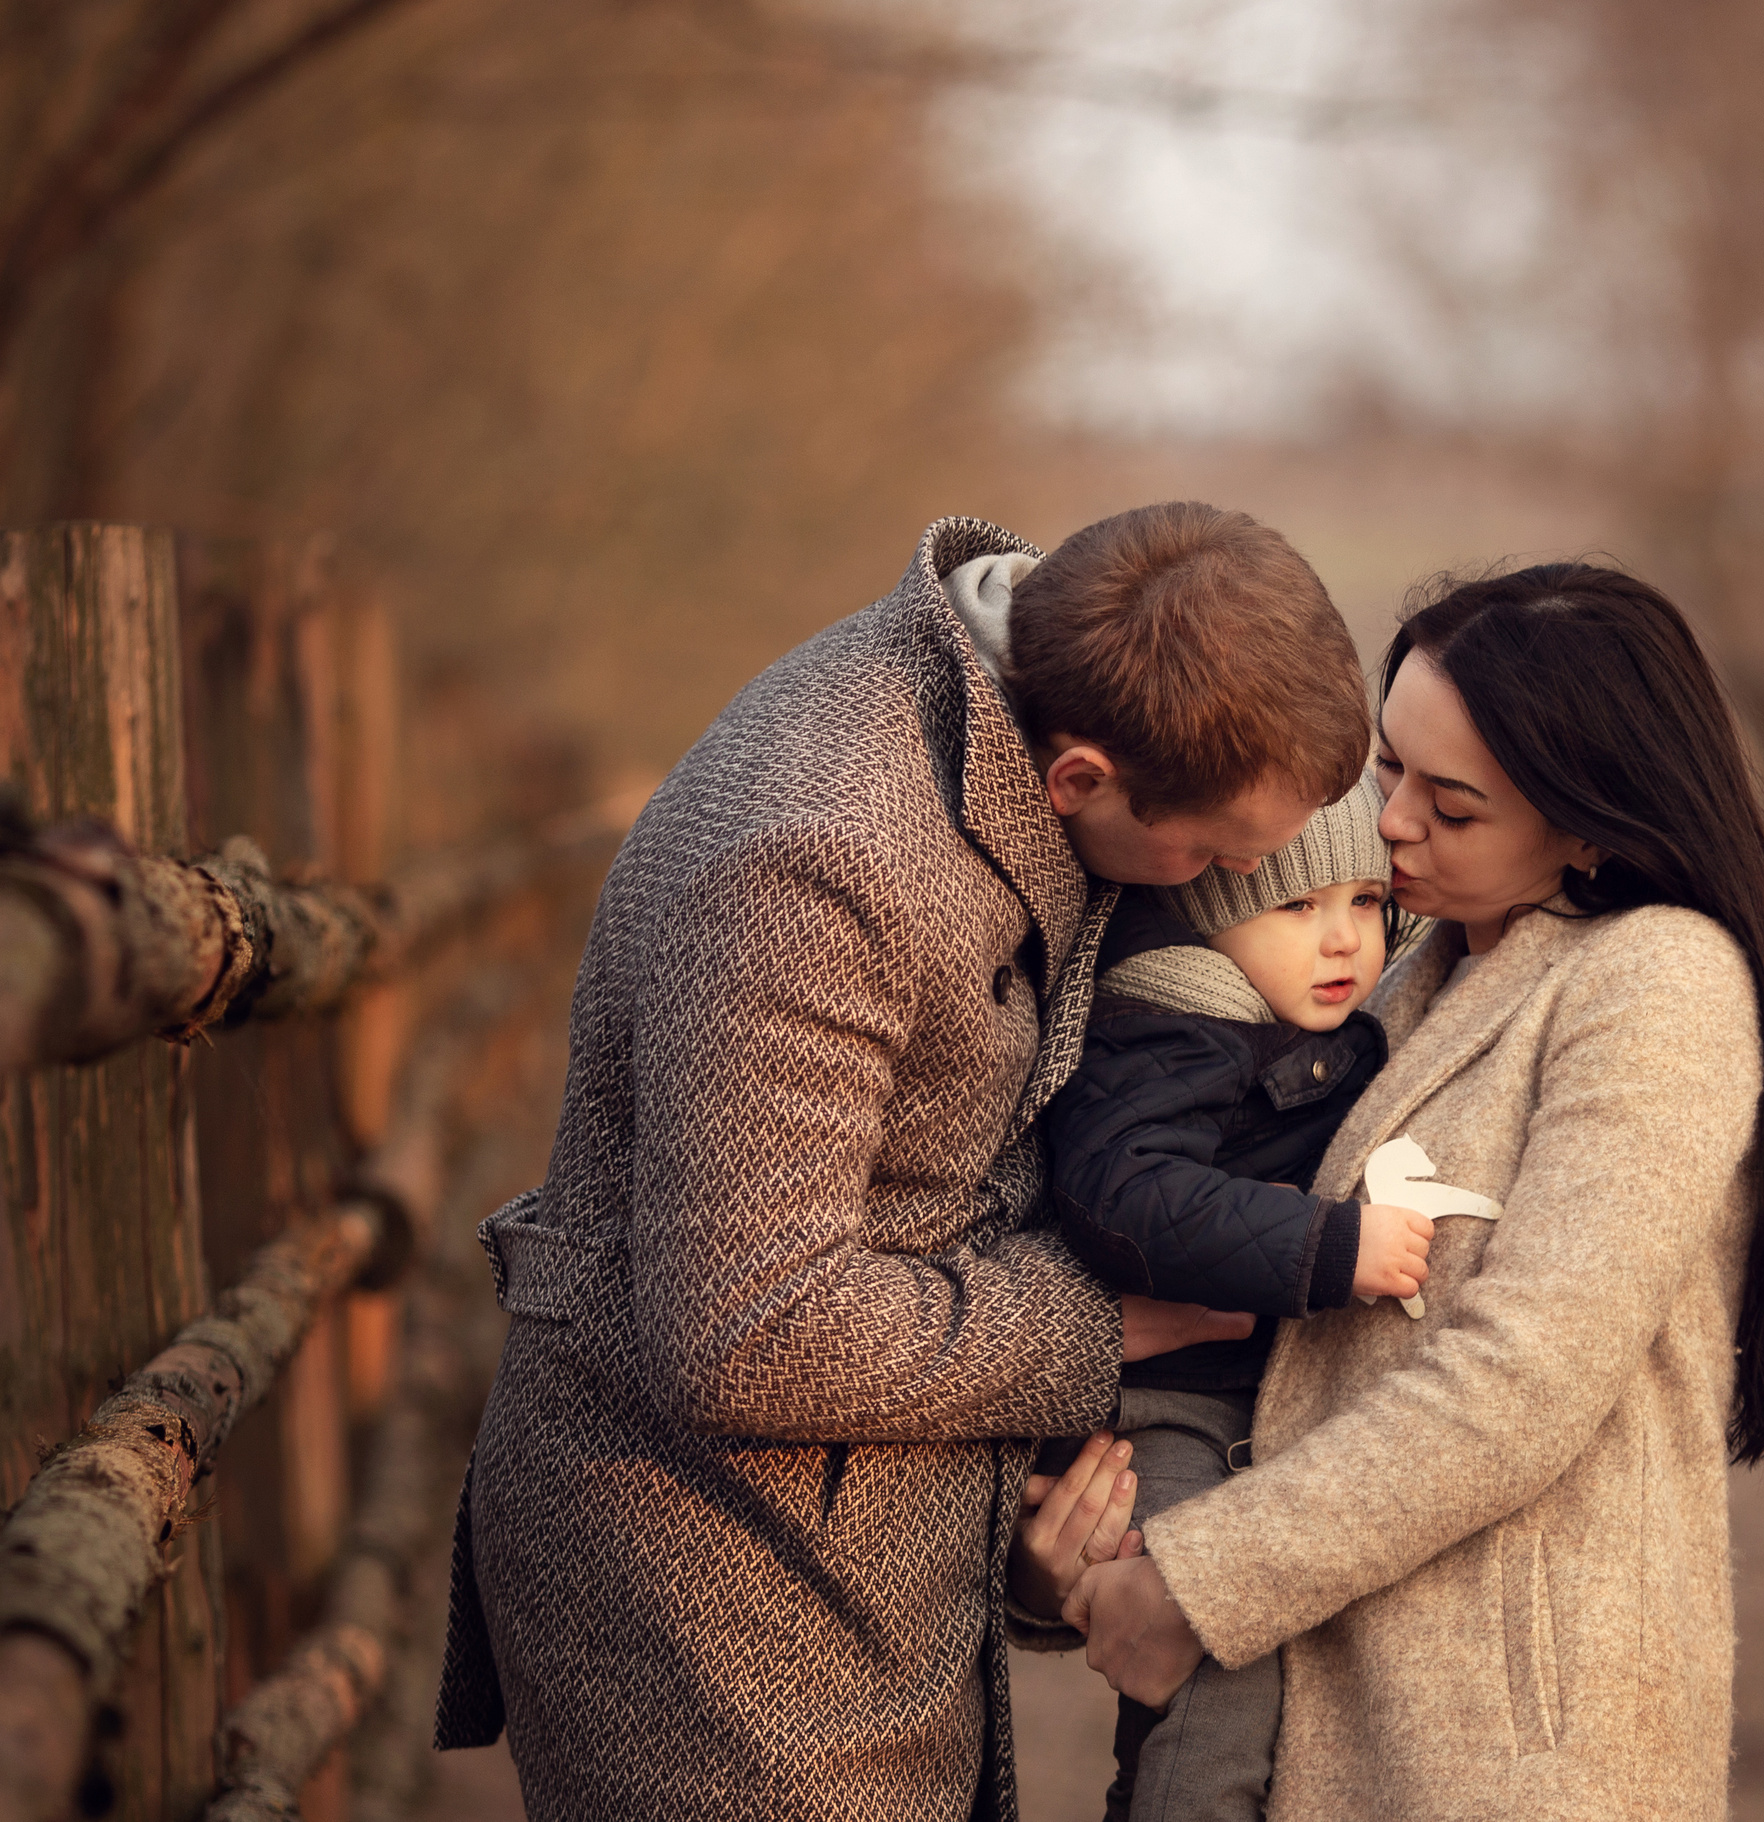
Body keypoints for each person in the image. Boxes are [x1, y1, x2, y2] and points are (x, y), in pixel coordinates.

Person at [432, 505, 1372, 1822]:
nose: (1225, 889)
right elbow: (747, 1324)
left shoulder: (1044, 697)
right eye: (1214, 858)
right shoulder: (819, 861)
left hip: (866, 1556)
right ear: (1080, 781)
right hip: (714, 1612)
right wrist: (1107, 1321)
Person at [1065, 562, 1764, 1820]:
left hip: (1506, 1747)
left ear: (1588, 823)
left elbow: (1522, 1378)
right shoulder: (1389, 976)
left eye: (1449, 804)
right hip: (1315, 1709)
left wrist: (1196, 1580)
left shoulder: (1657, 982)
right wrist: (1089, 1548)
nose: (1388, 824)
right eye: (1384, 767)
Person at [1010, 778, 1436, 1822]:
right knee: (1214, 1664)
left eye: (1364, 904)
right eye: (1296, 907)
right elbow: (1128, 1198)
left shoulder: (1286, 1020)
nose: (1341, 941)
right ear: (1212, 908)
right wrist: (1330, 1245)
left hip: (1226, 1405)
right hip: (1159, 1414)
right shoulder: (1173, 1020)